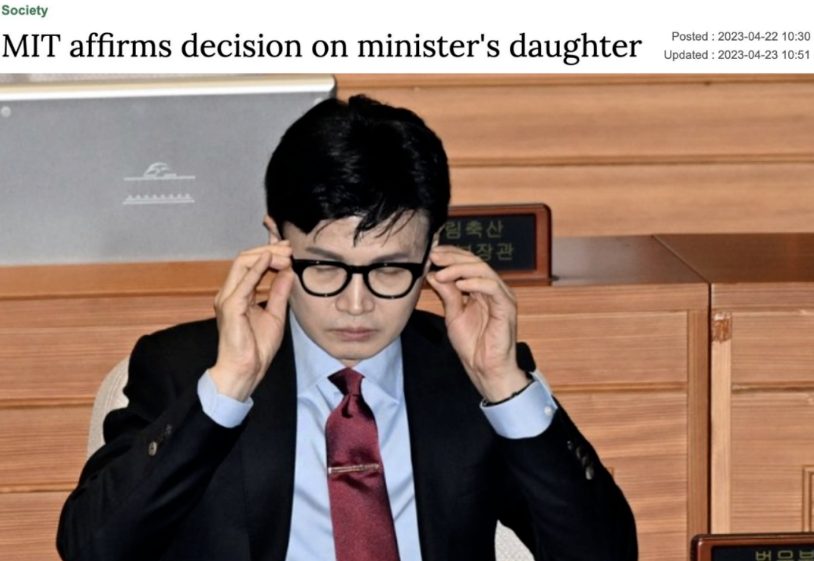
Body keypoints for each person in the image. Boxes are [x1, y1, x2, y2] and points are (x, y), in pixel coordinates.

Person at [57, 95, 637, 561]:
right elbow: (93, 548)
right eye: (326, 267)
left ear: (432, 250)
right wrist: (226, 390)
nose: (356, 305)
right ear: (276, 242)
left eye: (389, 269)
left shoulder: (467, 370)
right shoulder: (184, 368)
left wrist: (506, 388)